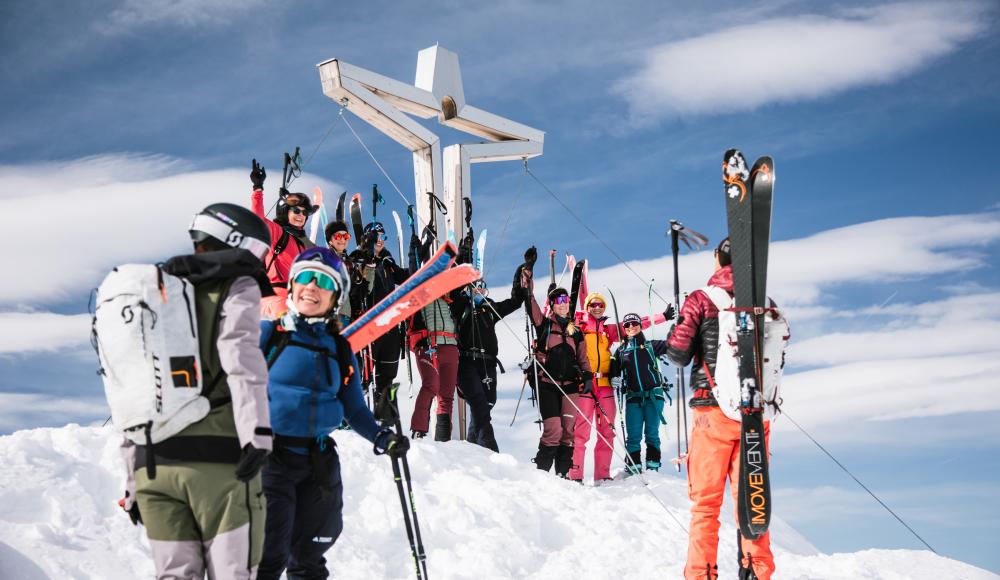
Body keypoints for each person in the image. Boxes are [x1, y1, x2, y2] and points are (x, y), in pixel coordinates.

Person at [119, 202, 275, 579]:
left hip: (153, 468)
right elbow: (239, 355)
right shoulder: (237, 284)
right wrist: (257, 434)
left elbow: (131, 390)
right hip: (218, 464)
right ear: (237, 241)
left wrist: (132, 480)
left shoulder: (153, 293)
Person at [257, 247, 409, 580]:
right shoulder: (270, 334)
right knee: (268, 553)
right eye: (306, 278)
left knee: (310, 555)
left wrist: (382, 437)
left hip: (318, 462)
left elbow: (353, 408)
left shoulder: (339, 349)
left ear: (335, 296)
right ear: (294, 285)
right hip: (271, 457)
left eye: (323, 282)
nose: (312, 287)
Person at [666, 238, 775, 580]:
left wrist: (677, 328)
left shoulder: (701, 298)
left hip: (712, 412)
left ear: (718, 260)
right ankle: (757, 571)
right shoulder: (764, 301)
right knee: (754, 502)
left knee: (705, 506)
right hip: (755, 415)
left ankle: (702, 574)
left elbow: (679, 353)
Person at [569, 292, 673, 483]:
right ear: (587, 306)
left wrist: (663, 317)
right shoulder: (579, 325)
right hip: (586, 384)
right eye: (593, 304)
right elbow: (559, 318)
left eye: (601, 304)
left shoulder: (608, 331)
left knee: (607, 431)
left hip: (606, 385)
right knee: (581, 431)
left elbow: (637, 323)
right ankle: (575, 475)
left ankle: (602, 476)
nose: (597, 307)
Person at [449, 266, 529, 452]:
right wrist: (461, 269)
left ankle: (471, 447)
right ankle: (491, 450)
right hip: (466, 362)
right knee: (478, 403)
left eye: (482, 286)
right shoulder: (460, 305)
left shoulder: (489, 308)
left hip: (488, 362)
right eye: (475, 286)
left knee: (488, 403)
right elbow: (452, 292)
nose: (479, 289)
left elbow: (515, 302)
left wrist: (519, 274)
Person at [527, 285, 592, 477]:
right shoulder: (544, 325)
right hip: (548, 384)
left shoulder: (576, 331)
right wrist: (527, 280)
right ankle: (542, 474)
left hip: (571, 386)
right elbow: (531, 306)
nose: (563, 304)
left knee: (568, 432)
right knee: (553, 429)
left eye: (566, 300)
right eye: (559, 301)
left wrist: (588, 376)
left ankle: (562, 475)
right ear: (553, 305)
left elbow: (583, 358)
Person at [349, 222, 411, 423]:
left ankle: (387, 420)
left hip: (391, 326)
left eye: (384, 237)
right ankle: (357, 420)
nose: (381, 241)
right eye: (377, 237)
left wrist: (416, 253)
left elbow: (409, 278)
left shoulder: (388, 262)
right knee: (363, 375)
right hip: (370, 323)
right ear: (367, 238)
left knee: (388, 376)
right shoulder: (357, 259)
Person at [250, 159, 317, 318]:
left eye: (304, 213)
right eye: (296, 211)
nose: (301, 215)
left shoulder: (302, 243)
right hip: (275, 298)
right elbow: (257, 220)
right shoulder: (278, 233)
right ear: (286, 212)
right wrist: (258, 189)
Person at [611, 312, 671, 475]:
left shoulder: (652, 345)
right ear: (623, 328)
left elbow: (673, 344)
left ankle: (653, 469)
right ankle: (633, 469)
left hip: (654, 396)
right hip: (633, 399)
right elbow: (613, 371)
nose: (631, 327)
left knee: (652, 434)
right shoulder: (621, 351)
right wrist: (614, 378)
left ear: (639, 325)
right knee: (633, 436)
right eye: (627, 325)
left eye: (634, 323)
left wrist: (678, 327)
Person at [407, 295, 460, 441]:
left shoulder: (448, 294)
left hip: (450, 345)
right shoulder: (418, 291)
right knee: (431, 385)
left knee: (446, 397)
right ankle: (419, 430)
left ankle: (443, 439)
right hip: (427, 344)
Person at [324, 220, 354, 329]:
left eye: (345, 236)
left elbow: (363, 288)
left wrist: (369, 267)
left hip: (346, 315)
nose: (342, 239)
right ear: (330, 241)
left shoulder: (350, 262)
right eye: (338, 236)